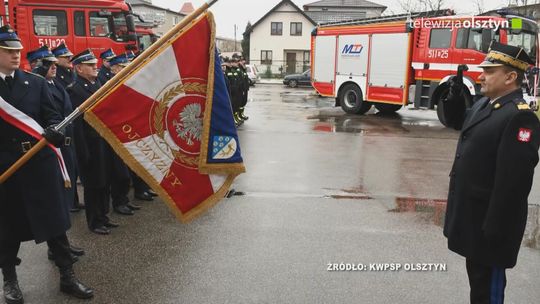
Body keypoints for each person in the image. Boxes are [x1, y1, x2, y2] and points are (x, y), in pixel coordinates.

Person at [0, 25, 93, 303]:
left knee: (54, 225)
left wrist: (55, 130)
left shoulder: (35, 83)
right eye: (8, 51)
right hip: (6, 168)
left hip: (38, 163)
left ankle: (68, 276)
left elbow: (53, 116)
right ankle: (10, 281)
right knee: (7, 229)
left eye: (17, 50)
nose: (16, 55)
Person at [442, 41, 540, 303]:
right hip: (476, 220)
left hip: (492, 227)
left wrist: (496, 229)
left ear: (510, 77)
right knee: (478, 286)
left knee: (488, 292)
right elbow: (461, 124)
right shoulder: (485, 105)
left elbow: (514, 182)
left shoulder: (519, 117)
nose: (481, 75)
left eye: (490, 71)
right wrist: (452, 98)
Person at [27, 46, 86, 262]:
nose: (54, 66)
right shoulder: (36, 87)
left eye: (54, 63)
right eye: (49, 64)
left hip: (66, 147)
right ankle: (56, 248)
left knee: (65, 199)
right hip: (52, 150)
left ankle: (64, 244)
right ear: (38, 65)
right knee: (56, 200)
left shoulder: (57, 84)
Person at [66, 49, 119, 235]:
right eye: (89, 65)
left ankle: (103, 216)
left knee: (104, 182)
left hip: (102, 142)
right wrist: (82, 151)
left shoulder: (97, 84)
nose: (94, 67)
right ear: (79, 68)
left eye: (94, 64)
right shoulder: (75, 90)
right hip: (89, 145)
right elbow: (77, 126)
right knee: (93, 185)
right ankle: (94, 221)